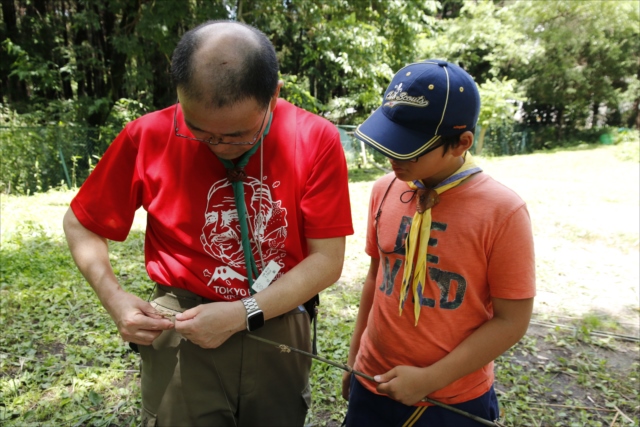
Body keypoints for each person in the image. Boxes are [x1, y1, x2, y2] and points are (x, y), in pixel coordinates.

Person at [63, 20, 353, 426]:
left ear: (274, 96)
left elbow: (327, 260)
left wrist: (242, 313)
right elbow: (82, 224)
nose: (217, 146)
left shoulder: (314, 138)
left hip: (278, 316)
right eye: (198, 130)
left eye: (237, 135)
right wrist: (115, 300)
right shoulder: (146, 136)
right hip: (181, 323)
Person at [341, 60, 535, 426]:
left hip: (451, 401)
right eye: (389, 141)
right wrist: (354, 359)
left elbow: (512, 321)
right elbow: (375, 276)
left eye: (410, 148)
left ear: (461, 142)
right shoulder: (385, 189)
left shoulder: (503, 212)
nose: (394, 157)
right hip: (373, 381)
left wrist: (431, 379)